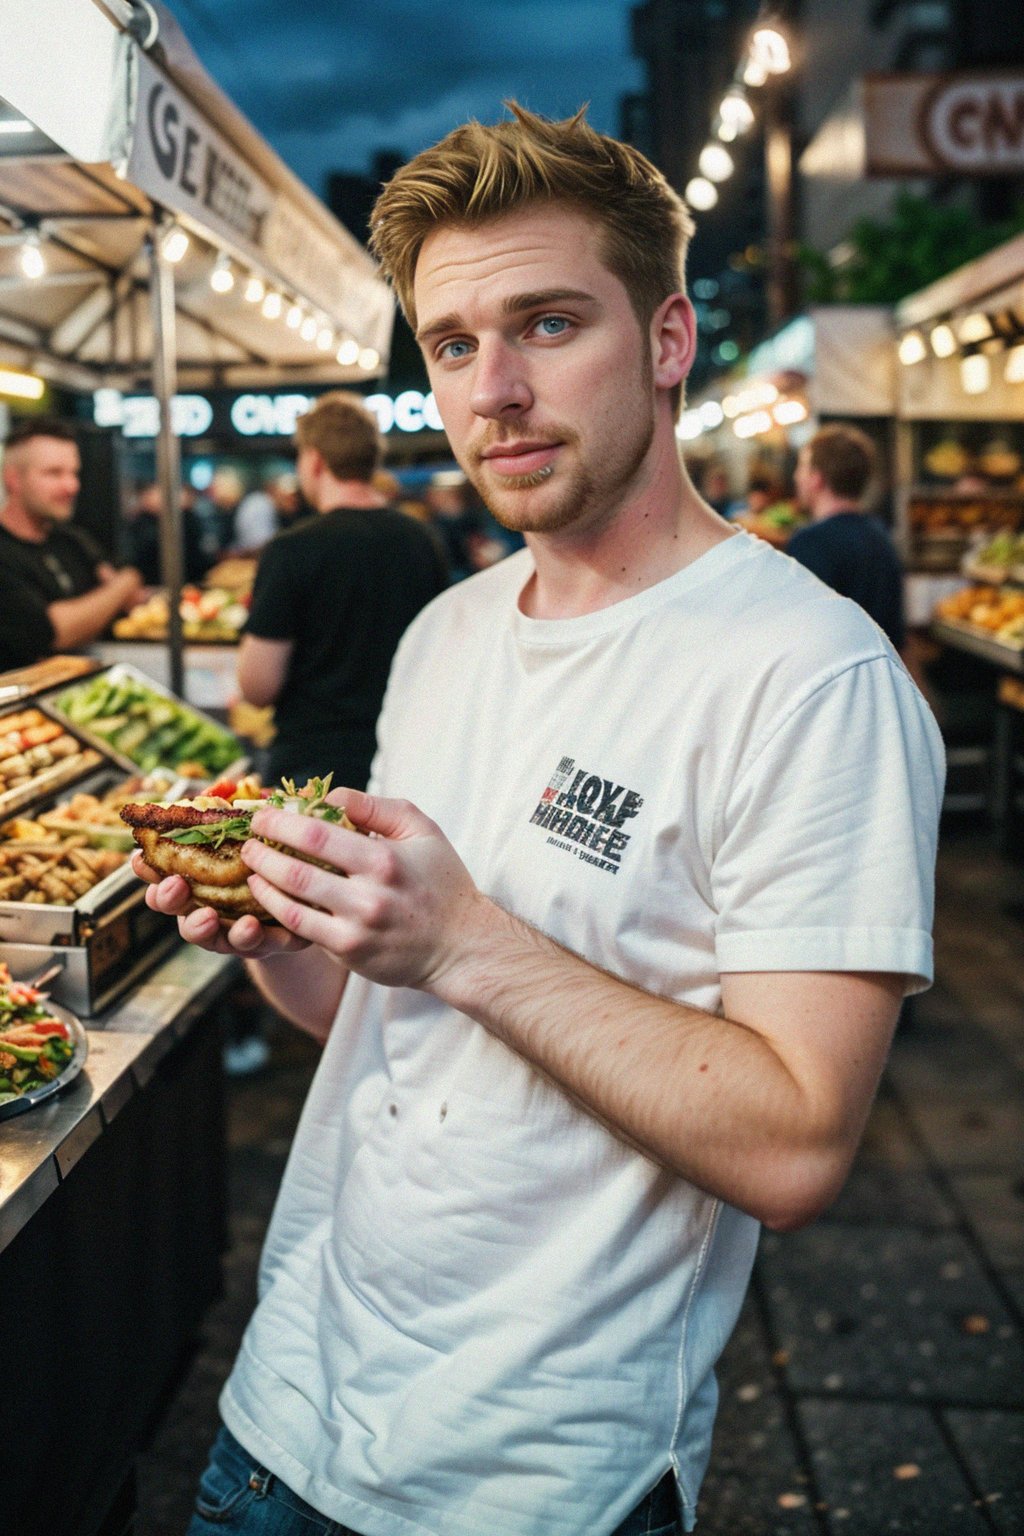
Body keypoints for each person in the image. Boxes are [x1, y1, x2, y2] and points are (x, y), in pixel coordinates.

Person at [135, 105, 943, 1536]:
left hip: (533, 1474)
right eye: (451, 345)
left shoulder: (811, 675)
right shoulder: (447, 629)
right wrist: (278, 933)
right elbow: (389, 1023)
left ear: (670, 341)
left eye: (549, 323)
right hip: (282, 1410)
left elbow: (798, 1145)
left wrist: (456, 940)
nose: (493, 388)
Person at [237, 392, 449, 789]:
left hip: (312, 771)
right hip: (408, 758)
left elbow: (257, 687)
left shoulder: (291, 549)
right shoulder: (422, 538)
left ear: (314, 460)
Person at [0, 416, 142, 666]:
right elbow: (54, 632)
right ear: (13, 480)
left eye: (74, 473)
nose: (72, 485)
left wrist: (116, 591)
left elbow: (133, 598)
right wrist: (123, 584)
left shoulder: (71, 539)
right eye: (54, 473)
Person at [789, 424, 906, 652]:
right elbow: (897, 634)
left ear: (816, 479)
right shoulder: (882, 536)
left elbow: (803, 637)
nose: (796, 476)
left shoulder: (810, 542)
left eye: (801, 468)